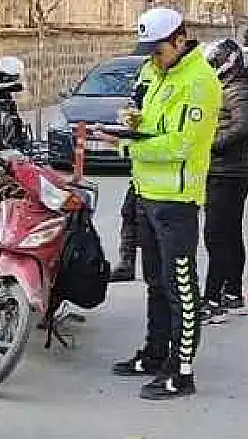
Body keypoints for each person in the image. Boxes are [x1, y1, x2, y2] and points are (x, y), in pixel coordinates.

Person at [94, 6, 222, 400]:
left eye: (159, 48)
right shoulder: (153, 71)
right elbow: (149, 122)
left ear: (181, 40)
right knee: (154, 281)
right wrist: (131, 121)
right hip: (147, 194)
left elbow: (182, 144)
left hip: (177, 200)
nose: (153, 56)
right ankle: (153, 354)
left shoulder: (200, 82)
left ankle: (180, 372)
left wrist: (126, 144)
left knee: (179, 286)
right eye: (148, 49)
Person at [200, 38, 248, 325]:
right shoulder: (229, 86)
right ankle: (233, 293)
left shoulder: (239, 88)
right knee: (228, 233)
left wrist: (207, 144)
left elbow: (244, 128)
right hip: (227, 170)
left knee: (217, 236)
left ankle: (213, 299)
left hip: (228, 171)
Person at [109, 61, 158, 283]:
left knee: (153, 226)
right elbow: (138, 101)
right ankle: (127, 264)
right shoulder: (149, 68)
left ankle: (157, 271)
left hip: (160, 171)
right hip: (142, 171)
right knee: (129, 213)